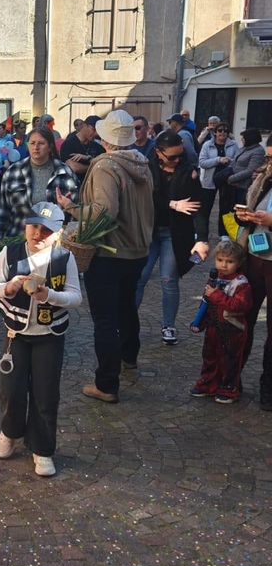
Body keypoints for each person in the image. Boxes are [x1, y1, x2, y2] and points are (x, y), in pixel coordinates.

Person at [56, 109, 153, 404]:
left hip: (110, 251)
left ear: (104, 137)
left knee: (105, 319)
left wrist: (70, 207)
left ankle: (107, 383)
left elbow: (104, 213)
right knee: (127, 307)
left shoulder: (106, 166)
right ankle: (129, 359)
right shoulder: (141, 162)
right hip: (138, 250)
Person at [0, 201, 81, 477]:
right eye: (33, 227)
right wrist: (7, 288)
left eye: (46, 230)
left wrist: (49, 295)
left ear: (58, 233)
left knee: (45, 393)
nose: (38, 234)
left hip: (50, 336)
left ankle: (43, 448)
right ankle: (10, 430)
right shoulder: (10, 252)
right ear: (25, 226)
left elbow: (75, 297)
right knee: (10, 389)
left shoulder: (64, 258)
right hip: (16, 334)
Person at [134, 130, 210, 346]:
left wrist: (202, 239)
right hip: (149, 230)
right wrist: (173, 204)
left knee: (168, 279)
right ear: (158, 152)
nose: (177, 160)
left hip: (174, 233)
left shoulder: (188, 171)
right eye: (172, 157)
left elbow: (198, 208)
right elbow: (145, 198)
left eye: (180, 155)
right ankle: (127, 321)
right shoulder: (146, 168)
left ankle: (168, 325)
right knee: (140, 277)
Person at [234, 136, 272, 409]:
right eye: (269, 157)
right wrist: (245, 216)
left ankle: (268, 389)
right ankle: (231, 378)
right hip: (256, 256)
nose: (270, 163)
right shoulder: (264, 179)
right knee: (243, 318)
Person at [189, 240, 252, 403]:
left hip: (232, 328)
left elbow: (239, 305)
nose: (224, 265)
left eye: (229, 261)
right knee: (210, 356)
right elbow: (206, 304)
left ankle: (228, 388)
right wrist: (200, 323)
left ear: (238, 263)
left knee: (229, 360)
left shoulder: (241, 283)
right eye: (220, 260)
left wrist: (216, 295)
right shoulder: (214, 279)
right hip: (213, 327)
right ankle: (208, 384)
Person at [0, 129, 78, 239]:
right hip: (18, 238)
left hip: (53, 240)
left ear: (50, 147)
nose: (36, 147)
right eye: (32, 143)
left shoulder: (65, 172)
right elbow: (2, 210)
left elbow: (74, 211)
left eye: (41, 143)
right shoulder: (13, 172)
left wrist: (70, 239)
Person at [198, 122, 239, 229]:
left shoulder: (234, 145)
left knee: (225, 207)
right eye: (220, 130)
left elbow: (237, 162)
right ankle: (201, 232)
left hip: (227, 180)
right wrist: (218, 160)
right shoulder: (207, 145)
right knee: (205, 208)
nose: (223, 132)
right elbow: (202, 162)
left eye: (225, 131)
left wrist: (229, 161)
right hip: (209, 180)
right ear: (215, 132)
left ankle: (223, 233)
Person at [225, 128, 265, 209]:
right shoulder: (244, 148)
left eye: (243, 138)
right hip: (235, 184)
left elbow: (251, 170)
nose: (242, 140)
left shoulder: (258, 151)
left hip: (244, 186)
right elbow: (235, 161)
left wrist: (231, 178)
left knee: (239, 209)